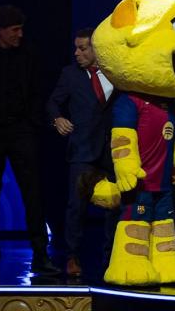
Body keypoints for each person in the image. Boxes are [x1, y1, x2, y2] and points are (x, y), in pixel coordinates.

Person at [0, 5, 54, 276]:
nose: (20, 34)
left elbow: (38, 89)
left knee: (33, 194)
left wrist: (31, 122)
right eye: (14, 30)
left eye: (21, 29)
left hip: (21, 130)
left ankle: (41, 254)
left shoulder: (29, 53)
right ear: (0, 30)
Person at [46, 29, 114, 277]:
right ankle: (72, 256)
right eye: (76, 48)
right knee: (77, 206)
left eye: (83, 48)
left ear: (97, 49)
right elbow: (52, 102)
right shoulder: (70, 74)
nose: (77, 53)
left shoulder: (113, 71)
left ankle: (111, 257)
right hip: (83, 148)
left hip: (111, 148)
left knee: (115, 205)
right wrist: (57, 119)